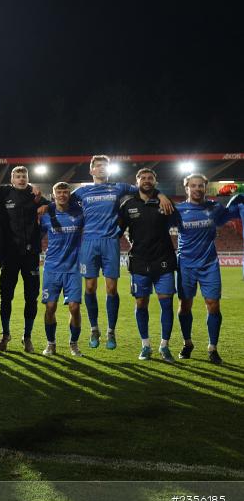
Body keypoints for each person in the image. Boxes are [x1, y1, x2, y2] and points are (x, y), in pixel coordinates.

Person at [68, 155, 173, 349]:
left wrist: (161, 195)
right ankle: (94, 329)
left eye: (105, 166)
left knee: (111, 289)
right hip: (89, 242)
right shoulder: (82, 191)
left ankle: (111, 332)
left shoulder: (119, 187)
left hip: (110, 242)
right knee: (89, 288)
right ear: (91, 171)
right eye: (97, 166)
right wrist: (42, 204)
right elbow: (62, 199)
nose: (101, 169)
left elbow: (145, 188)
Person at [169, 175, 243, 365]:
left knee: (213, 305)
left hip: (209, 264)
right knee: (185, 306)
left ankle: (213, 348)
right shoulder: (177, 211)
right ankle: (187, 343)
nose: (197, 189)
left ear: (205, 187)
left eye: (200, 185)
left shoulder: (214, 208)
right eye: (193, 186)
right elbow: (158, 225)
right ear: (186, 188)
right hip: (185, 264)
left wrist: (238, 196)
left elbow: (233, 211)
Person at [117, 168, 178, 362]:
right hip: (140, 261)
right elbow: (118, 230)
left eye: (150, 178)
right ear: (137, 181)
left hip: (164, 260)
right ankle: (145, 346)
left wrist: (162, 196)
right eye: (142, 178)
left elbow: (181, 225)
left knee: (166, 303)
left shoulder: (165, 203)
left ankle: (165, 346)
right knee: (141, 303)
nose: (146, 180)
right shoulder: (127, 203)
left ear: (155, 181)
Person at [0, 165, 49, 352]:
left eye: (24, 175)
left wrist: (44, 203)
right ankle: (5, 334)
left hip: (31, 255)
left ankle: (27, 337)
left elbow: (53, 205)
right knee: (5, 297)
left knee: (31, 297)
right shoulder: (4, 193)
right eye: (17, 175)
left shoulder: (35, 195)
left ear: (28, 177)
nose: (21, 178)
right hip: (9, 255)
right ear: (12, 178)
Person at [39, 182, 85, 357]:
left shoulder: (79, 214)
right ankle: (51, 344)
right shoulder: (46, 215)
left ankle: (73, 344)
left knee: (74, 308)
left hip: (73, 269)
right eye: (59, 192)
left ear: (69, 195)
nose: (63, 195)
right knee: (50, 307)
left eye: (66, 192)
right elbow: (36, 235)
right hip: (51, 268)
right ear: (53, 195)